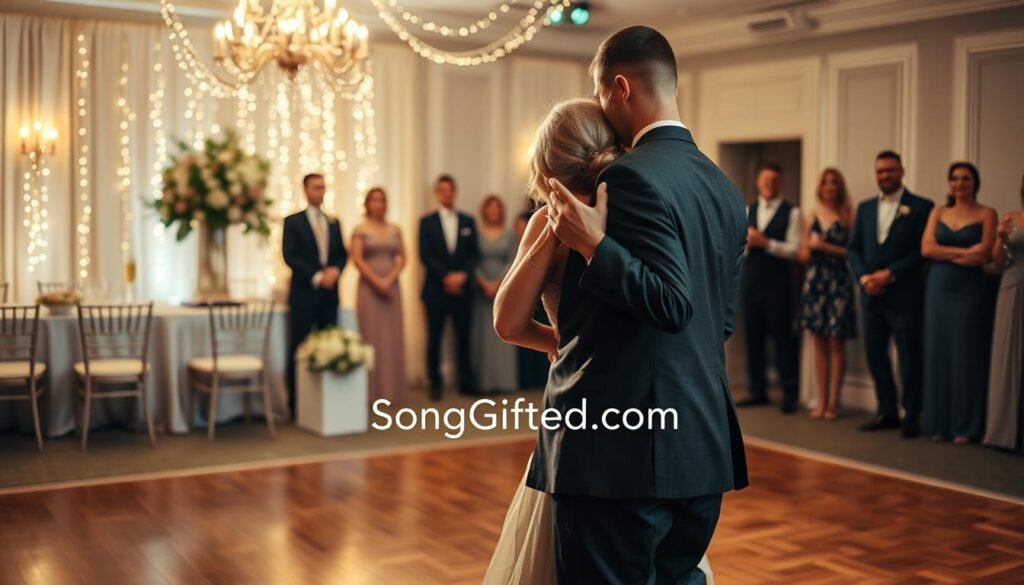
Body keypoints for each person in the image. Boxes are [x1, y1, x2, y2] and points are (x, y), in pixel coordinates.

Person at [493, 26, 747, 585]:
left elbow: (672, 303)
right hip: (700, 441)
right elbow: (718, 321)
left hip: (618, 450)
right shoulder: (725, 188)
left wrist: (593, 245)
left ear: (620, 87)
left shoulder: (625, 180)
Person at [847, 151, 933, 439]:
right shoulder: (866, 207)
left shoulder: (921, 207)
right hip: (870, 294)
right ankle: (886, 411)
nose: (885, 175)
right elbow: (854, 248)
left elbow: (922, 252)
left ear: (902, 172)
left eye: (891, 170)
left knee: (909, 356)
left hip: (904, 296)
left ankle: (912, 415)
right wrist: (863, 278)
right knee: (875, 354)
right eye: (881, 171)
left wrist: (890, 274)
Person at [921, 162, 997, 445]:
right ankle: (938, 423)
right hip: (938, 288)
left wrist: (948, 253)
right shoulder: (938, 212)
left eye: (965, 178)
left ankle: (966, 426)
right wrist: (962, 251)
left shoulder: (987, 213)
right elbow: (926, 248)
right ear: (949, 183)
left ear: (975, 182)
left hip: (969, 290)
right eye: (954, 178)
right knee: (937, 352)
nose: (959, 183)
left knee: (966, 354)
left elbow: (985, 255)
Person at [736, 162, 802, 414]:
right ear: (758, 182)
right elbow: (739, 248)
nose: (769, 184)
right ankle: (758, 390)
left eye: (774, 180)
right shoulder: (747, 209)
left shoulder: (792, 213)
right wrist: (749, 244)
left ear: (780, 182)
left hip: (779, 285)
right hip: (750, 282)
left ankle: (789, 392)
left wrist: (767, 243)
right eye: (765, 180)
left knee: (782, 338)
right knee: (753, 338)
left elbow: (795, 250)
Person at [282, 173, 348, 418]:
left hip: (330, 294)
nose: (320, 192)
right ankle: (296, 404)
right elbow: (290, 256)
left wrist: (336, 270)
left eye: (323, 187)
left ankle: (327, 402)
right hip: (304, 293)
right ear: (305, 190)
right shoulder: (293, 222)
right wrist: (318, 276)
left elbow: (342, 253)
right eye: (316, 187)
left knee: (329, 345)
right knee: (299, 345)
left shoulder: (333, 221)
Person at [797, 168, 857, 420]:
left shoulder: (848, 215)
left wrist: (827, 246)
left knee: (836, 341)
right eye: (825, 182)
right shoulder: (811, 216)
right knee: (818, 341)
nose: (829, 187)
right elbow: (801, 255)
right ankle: (820, 401)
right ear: (820, 187)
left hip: (839, 283)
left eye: (834, 182)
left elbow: (854, 253)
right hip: (815, 283)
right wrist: (810, 248)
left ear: (839, 187)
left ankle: (834, 402)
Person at [418, 175, 480, 400]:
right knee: (434, 337)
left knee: (464, 337)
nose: (447, 194)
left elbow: (474, 254)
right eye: (443, 190)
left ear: (455, 192)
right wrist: (446, 276)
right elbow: (425, 255)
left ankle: (466, 380)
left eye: (450, 190)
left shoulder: (468, 221)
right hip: (436, 289)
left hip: (463, 289)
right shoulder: (426, 222)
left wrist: (462, 275)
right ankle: (435, 382)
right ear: (437, 193)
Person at [351, 187, 407, 405]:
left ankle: (392, 391)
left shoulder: (395, 229)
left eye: (381, 199)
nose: (378, 203)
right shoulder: (360, 229)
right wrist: (377, 282)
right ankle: (370, 392)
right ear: (367, 203)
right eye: (374, 200)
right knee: (371, 336)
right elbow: (357, 259)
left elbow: (403, 257)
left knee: (391, 338)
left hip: (392, 287)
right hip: (368, 289)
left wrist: (389, 279)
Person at [984, 171, 1024, 453]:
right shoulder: (1011, 218)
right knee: (1008, 354)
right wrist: (1000, 238)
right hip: (1012, 286)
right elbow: (998, 261)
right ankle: (1004, 432)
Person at [473, 195, 518, 394]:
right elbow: (471, 260)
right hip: (480, 290)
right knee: (482, 334)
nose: (493, 211)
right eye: (489, 208)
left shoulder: (509, 234)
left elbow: (514, 259)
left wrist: (497, 284)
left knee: (502, 331)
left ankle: (504, 381)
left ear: (501, 211)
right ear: (484, 211)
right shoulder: (476, 233)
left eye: (497, 208)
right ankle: (484, 382)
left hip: (503, 287)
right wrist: (483, 282)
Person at [514, 201, 552, 391]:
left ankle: (541, 377)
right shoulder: (535, 219)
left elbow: (508, 327)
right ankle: (529, 378)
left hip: (540, 273)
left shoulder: (546, 217)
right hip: (535, 272)